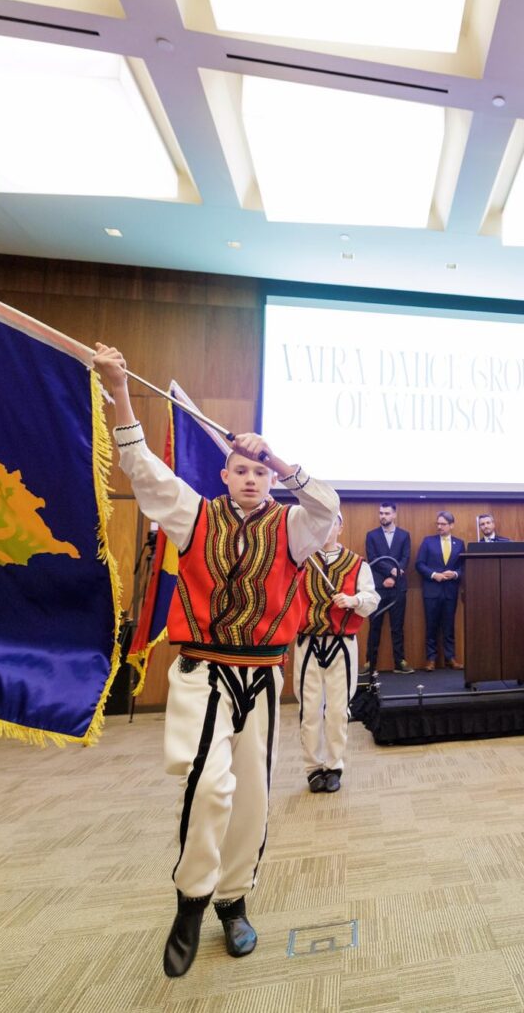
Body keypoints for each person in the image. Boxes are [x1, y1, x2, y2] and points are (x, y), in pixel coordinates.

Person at [93, 344, 340, 976]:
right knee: (208, 785)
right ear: (224, 476)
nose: (253, 478)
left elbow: (328, 507)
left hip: (262, 676)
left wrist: (279, 457)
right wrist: (119, 389)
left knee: (252, 796)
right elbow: (141, 467)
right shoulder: (193, 515)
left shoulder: (292, 527)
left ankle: (234, 900)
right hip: (203, 672)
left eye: (261, 471)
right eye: (242, 469)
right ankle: (191, 901)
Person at [294, 514, 378, 794]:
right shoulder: (301, 559)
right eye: (320, 524)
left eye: (332, 523)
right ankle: (312, 767)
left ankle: (334, 766)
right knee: (309, 709)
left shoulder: (357, 563)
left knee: (338, 709)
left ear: (341, 527)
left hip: (342, 643)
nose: (326, 530)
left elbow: (372, 600)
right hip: (307, 642)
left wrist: (354, 600)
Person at [364, 503, 411, 675]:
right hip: (378, 586)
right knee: (374, 626)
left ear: (394, 515)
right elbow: (373, 558)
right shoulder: (372, 535)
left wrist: (394, 577)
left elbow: (405, 557)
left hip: (398, 587)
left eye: (386, 513)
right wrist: (390, 572)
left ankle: (400, 662)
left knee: (397, 627)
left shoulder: (404, 535)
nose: (383, 516)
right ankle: (370, 663)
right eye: (381, 513)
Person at [415, 511, 465, 669]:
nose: (439, 527)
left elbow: (463, 567)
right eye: (438, 524)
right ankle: (431, 659)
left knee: (449, 626)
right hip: (432, 590)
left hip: (450, 591)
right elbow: (419, 564)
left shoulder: (459, 543)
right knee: (431, 626)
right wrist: (433, 575)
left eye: (443, 524)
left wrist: (455, 574)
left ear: (451, 525)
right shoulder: (428, 541)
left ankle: (450, 658)